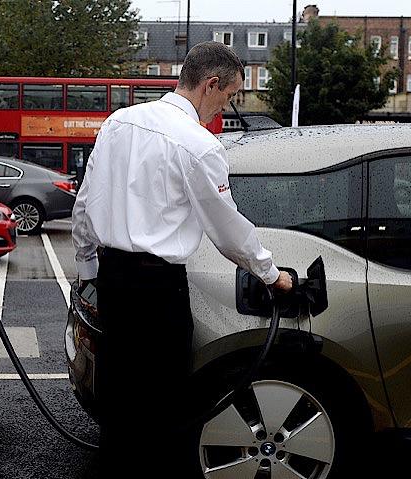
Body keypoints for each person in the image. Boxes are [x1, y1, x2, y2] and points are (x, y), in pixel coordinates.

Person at [71, 41, 294, 475]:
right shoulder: (199, 145)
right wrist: (271, 274)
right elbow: (228, 230)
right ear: (211, 84)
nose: (224, 111)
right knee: (163, 404)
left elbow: (86, 202)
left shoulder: (120, 122)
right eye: (229, 96)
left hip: (114, 280)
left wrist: (88, 272)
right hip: (159, 289)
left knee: (117, 399)